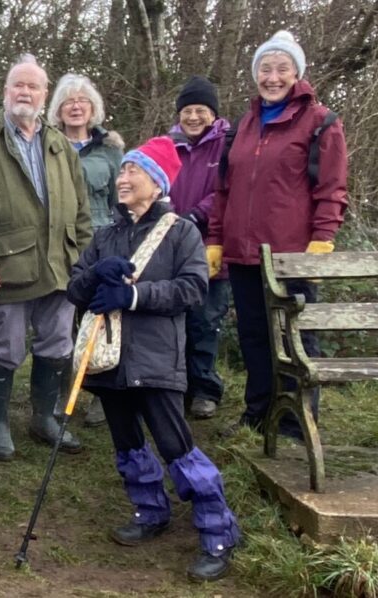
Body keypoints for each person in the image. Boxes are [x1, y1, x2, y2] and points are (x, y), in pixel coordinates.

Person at [67, 136, 241, 582]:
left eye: (133, 172)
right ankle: (149, 510)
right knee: (126, 442)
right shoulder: (106, 235)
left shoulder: (181, 232)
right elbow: (74, 289)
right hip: (108, 360)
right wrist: (94, 276)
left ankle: (218, 531)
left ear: (157, 182)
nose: (123, 179)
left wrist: (135, 294)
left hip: (156, 359)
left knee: (175, 445)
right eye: (122, 171)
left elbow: (193, 289)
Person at [206, 30, 348, 438]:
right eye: (265, 69)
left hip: (291, 257)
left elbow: (331, 189)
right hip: (244, 256)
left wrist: (321, 241)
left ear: (297, 73)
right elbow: (223, 190)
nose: (272, 77)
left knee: (295, 341)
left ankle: (295, 425)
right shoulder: (244, 125)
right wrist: (216, 239)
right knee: (255, 337)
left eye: (282, 68)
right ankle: (259, 415)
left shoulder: (321, 122)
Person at [0, 53, 92, 461]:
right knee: (6, 348)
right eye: (19, 85)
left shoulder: (59, 145)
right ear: (6, 91)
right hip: (6, 268)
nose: (26, 92)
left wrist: (82, 261)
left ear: (44, 94)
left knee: (56, 344)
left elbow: (82, 209)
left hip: (59, 266)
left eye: (34, 86)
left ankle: (43, 419)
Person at [47, 72, 124, 427]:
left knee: (99, 317)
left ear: (93, 108)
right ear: (58, 110)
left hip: (100, 239)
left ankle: (100, 390)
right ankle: (65, 390)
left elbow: (120, 199)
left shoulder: (111, 151)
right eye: (68, 101)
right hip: (58, 243)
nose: (75, 106)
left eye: (82, 100)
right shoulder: (46, 145)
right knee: (62, 320)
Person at [168, 76, 232, 420]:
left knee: (206, 320)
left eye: (201, 110)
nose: (193, 117)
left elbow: (227, 190)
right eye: (188, 110)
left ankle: (205, 388)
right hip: (172, 246)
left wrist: (196, 215)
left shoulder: (227, 144)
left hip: (211, 244)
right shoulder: (168, 144)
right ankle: (175, 385)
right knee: (174, 319)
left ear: (213, 113)